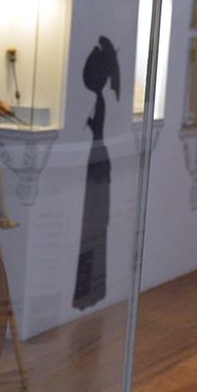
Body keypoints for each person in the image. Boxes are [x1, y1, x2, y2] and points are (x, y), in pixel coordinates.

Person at [73, 36, 121, 310]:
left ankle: (89, 291)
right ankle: (88, 291)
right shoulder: (98, 101)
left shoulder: (98, 102)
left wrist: (89, 124)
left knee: (92, 231)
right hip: (98, 166)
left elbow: (93, 132)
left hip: (98, 168)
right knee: (91, 231)